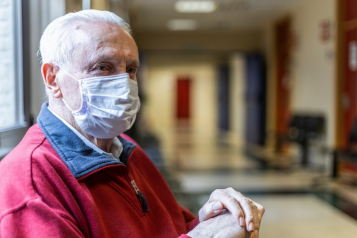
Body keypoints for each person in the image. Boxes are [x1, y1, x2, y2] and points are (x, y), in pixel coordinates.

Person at [0, 10, 264, 238]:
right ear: (53, 79)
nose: (124, 86)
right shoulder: (31, 183)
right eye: (103, 67)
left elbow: (173, 227)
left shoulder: (126, 148)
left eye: (130, 69)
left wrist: (212, 219)